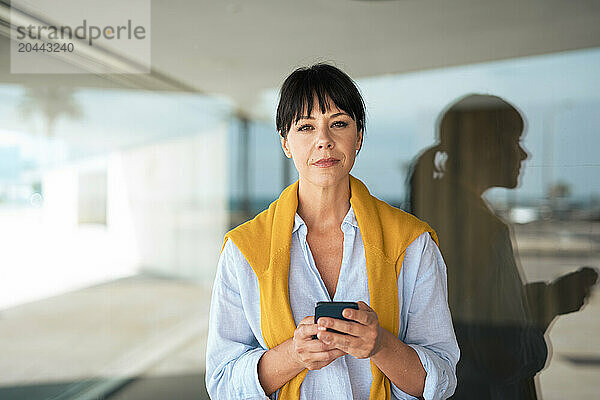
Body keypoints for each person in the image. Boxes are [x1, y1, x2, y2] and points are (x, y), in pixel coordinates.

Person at [205, 63, 459, 400]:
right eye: (306, 127)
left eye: (338, 123)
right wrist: (293, 355)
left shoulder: (412, 243)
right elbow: (221, 383)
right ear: (285, 142)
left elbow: (441, 380)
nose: (323, 140)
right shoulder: (244, 249)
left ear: (359, 137)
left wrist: (380, 345)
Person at [407, 94, 598, 399]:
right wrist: (546, 310)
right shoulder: (482, 230)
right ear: (485, 148)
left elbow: (466, 317)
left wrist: (537, 300)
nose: (524, 155)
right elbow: (506, 355)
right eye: (514, 140)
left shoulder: (429, 221)